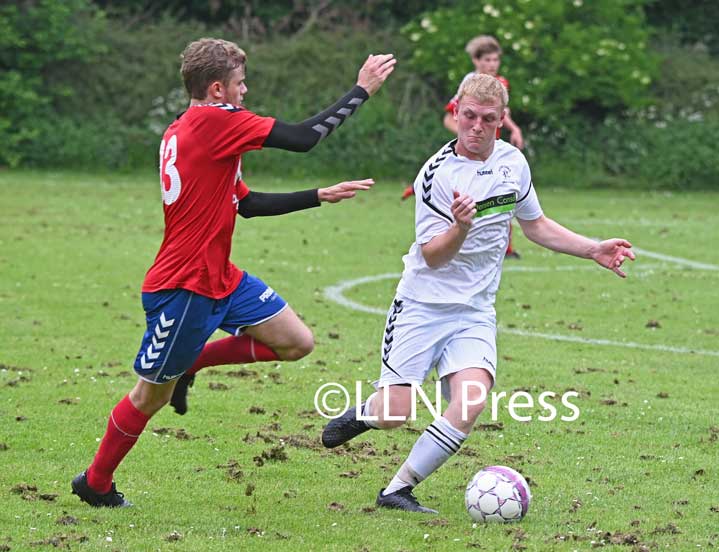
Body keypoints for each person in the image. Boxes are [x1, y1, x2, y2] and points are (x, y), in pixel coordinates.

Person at [70, 38, 396, 508]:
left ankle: (194, 362)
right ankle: (95, 483)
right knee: (148, 398)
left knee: (296, 342)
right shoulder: (215, 120)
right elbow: (305, 138)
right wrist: (361, 89)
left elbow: (246, 204)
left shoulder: (186, 128)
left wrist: (317, 195)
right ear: (218, 88)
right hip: (183, 288)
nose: (247, 92)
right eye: (241, 84)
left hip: (219, 275)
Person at [322, 74, 634, 513]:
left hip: (473, 311)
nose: (476, 127)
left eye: (488, 119)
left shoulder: (513, 163)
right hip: (421, 306)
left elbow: (536, 225)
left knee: (469, 401)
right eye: (468, 116)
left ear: (501, 120)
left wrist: (592, 249)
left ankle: (397, 489)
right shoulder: (437, 174)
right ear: (456, 111)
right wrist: (460, 227)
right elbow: (432, 256)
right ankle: (365, 413)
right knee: (395, 413)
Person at [402, 35, 523, 258]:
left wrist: (514, 129)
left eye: (495, 60)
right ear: (476, 61)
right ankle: (424, 195)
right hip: (473, 155)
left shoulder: (502, 83)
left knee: (503, 195)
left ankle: (506, 248)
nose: (492, 65)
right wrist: (468, 137)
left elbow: (503, 114)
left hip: (493, 152)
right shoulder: (470, 84)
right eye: (487, 60)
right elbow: (450, 116)